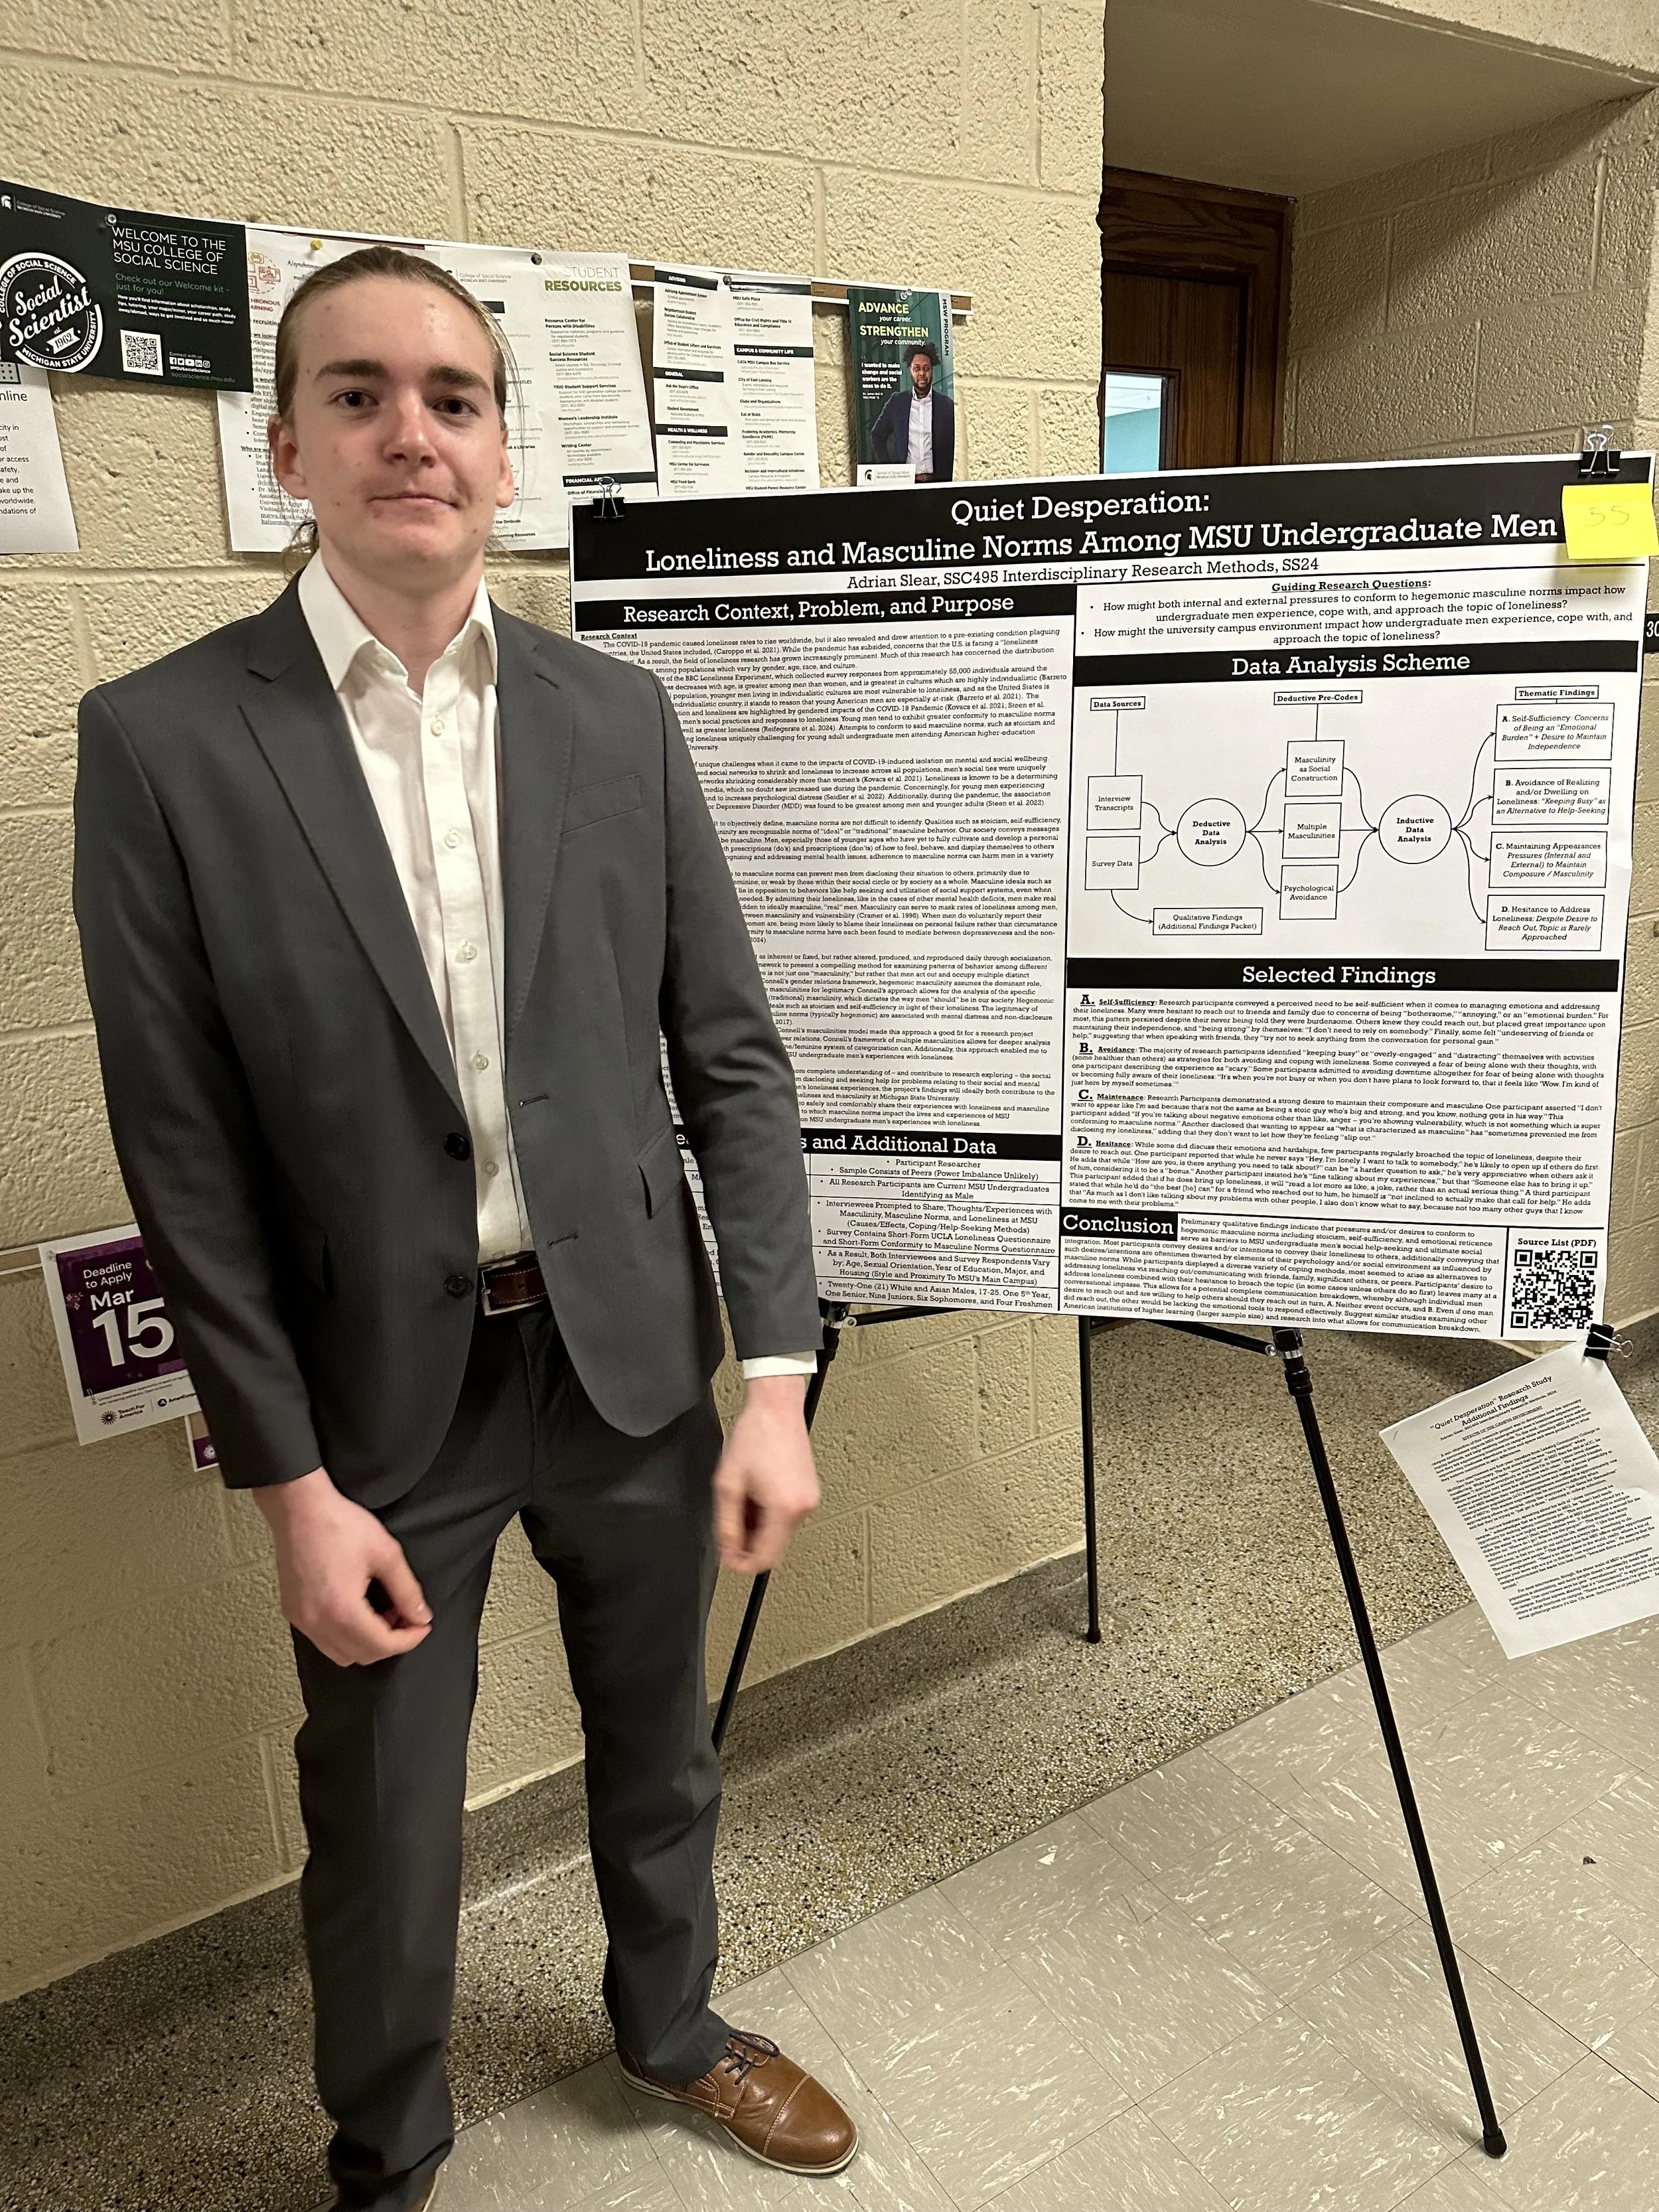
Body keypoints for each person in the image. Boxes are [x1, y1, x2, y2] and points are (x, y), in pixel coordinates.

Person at [72, 245, 857, 2212]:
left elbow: (730, 1063)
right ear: (288, 452)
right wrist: (288, 1486)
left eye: (452, 395)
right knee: (387, 1818)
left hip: (622, 1362)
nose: (409, 430)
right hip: (373, 1408)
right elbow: (187, 1161)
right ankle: (387, 2145)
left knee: (656, 1746)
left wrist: (770, 1376)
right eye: (358, 394)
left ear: (506, 454)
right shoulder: (163, 739)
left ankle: (670, 2026)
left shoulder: (617, 716)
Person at [869, 340, 955, 482]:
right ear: (910, 370)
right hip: (907, 484)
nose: (922, 373)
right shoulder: (897, 402)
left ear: (932, 370)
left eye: (926, 368)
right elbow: (877, 435)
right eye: (917, 368)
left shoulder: (946, 406)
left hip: (938, 484)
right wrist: (888, 470)